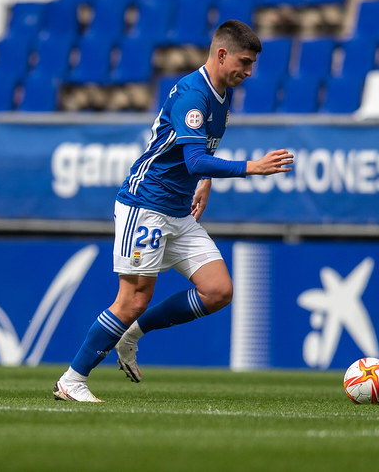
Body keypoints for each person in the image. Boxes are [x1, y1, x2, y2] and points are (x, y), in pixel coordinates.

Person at [53, 20, 294, 403]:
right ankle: (72, 380)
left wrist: (205, 181)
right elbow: (196, 160)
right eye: (244, 62)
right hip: (146, 205)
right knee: (131, 300)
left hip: (179, 210)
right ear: (221, 54)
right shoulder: (191, 94)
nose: (248, 72)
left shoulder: (221, 92)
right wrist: (251, 166)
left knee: (217, 291)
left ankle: (132, 333)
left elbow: (199, 154)